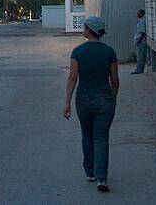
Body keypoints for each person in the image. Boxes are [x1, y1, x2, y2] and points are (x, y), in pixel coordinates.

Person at [64, 16, 119, 193]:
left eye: (85, 27)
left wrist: (67, 102)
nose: (83, 29)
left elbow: (73, 77)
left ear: (89, 31)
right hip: (105, 99)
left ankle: (90, 172)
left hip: (83, 100)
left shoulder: (77, 52)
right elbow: (115, 80)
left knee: (87, 136)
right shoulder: (109, 52)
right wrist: (113, 98)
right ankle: (102, 178)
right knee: (101, 138)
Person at [132, 9, 148, 74]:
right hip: (141, 41)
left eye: (138, 13)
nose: (137, 14)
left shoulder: (142, 21)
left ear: (141, 14)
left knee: (140, 56)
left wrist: (138, 40)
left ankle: (139, 70)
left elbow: (142, 32)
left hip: (141, 42)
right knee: (141, 56)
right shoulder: (142, 21)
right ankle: (140, 69)